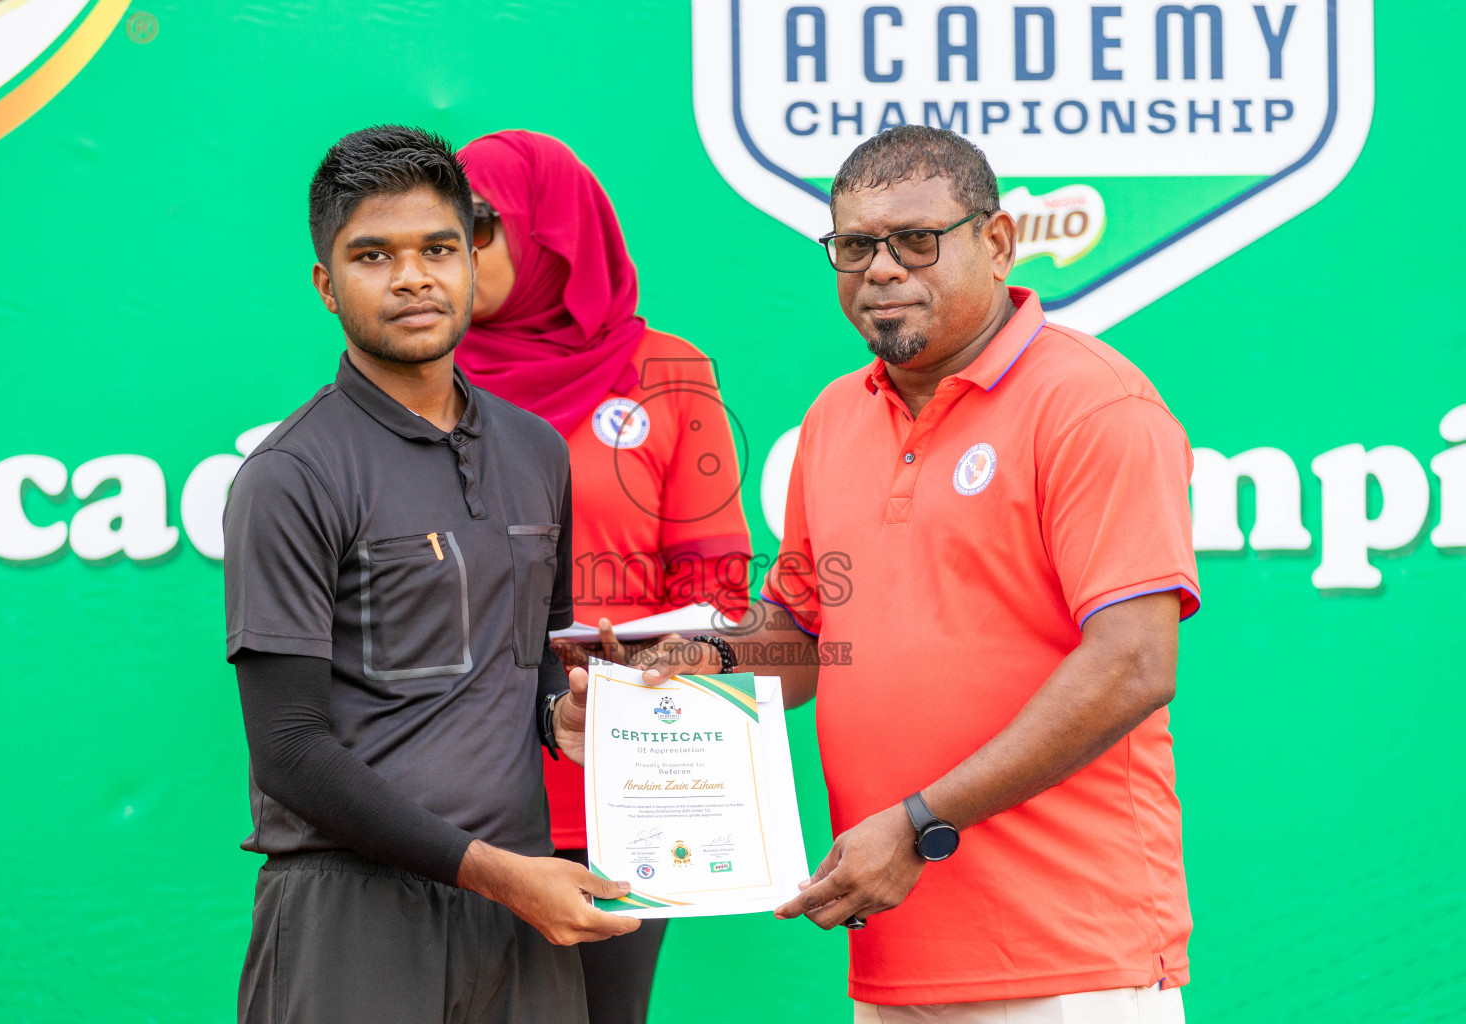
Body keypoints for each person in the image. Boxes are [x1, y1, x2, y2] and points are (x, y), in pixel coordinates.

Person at [637, 125, 1201, 1023]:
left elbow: (1134, 662)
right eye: (855, 246)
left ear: (1000, 241)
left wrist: (918, 823)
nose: (883, 269)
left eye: (917, 240)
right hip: (895, 951)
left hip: (1072, 960)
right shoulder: (833, 417)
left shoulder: (1093, 405)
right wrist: (690, 670)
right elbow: (803, 637)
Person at [222, 124, 637, 1024]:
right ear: (328, 285)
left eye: (439, 248)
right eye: (374, 254)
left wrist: (563, 714)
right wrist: (500, 875)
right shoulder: (290, 476)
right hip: (351, 917)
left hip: (520, 917)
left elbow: (529, 668)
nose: (413, 276)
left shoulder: (535, 451)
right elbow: (290, 750)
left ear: (472, 257)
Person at [455, 129, 752, 1024]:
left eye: (473, 225)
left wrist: (677, 664)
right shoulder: (413, 375)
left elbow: (722, 599)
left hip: (617, 796)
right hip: (445, 803)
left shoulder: (667, 374)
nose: (447, 254)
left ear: (552, 235)